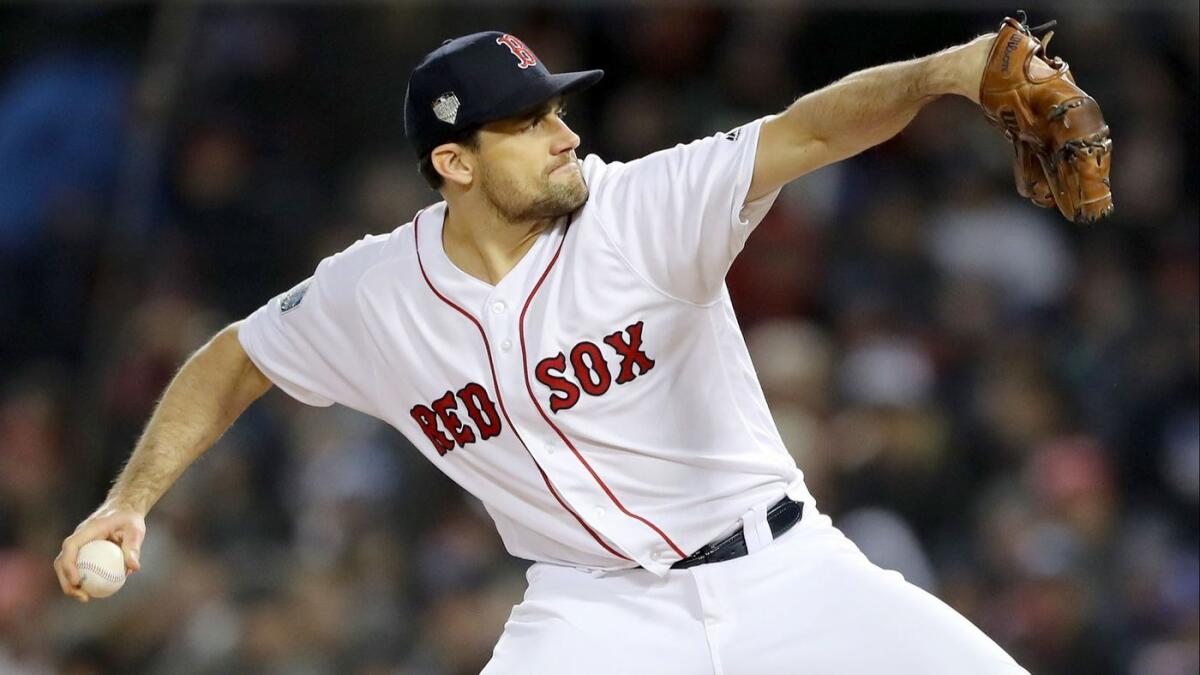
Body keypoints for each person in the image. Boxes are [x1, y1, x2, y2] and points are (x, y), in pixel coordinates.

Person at [56, 28, 1035, 674]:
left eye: (559, 111)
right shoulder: (375, 290)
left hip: (786, 572)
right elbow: (236, 356)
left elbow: (811, 130)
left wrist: (944, 72)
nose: (565, 136)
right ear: (455, 163)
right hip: (595, 615)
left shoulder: (639, 207)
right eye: (531, 124)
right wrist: (128, 501)